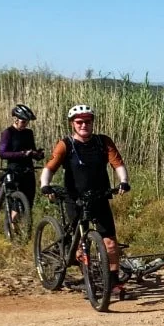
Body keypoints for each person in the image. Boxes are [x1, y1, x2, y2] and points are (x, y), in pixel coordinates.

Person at [40, 104, 132, 298]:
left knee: (111, 243)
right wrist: (45, 184)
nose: (84, 125)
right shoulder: (66, 144)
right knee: (80, 244)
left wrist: (123, 181)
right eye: (79, 122)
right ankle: (85, 274)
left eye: (87, 122)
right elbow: (50, 167)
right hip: (75, 199)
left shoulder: (102, 142)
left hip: (99, 197)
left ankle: (113, 281)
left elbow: (117, 163)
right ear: (73, 124)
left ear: (92, 123)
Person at [0, 104, 45, 223]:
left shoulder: (28, 133)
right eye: (23, 122)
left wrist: (37, 154)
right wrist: (22, 154)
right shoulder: (8, 133)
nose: (25, 124)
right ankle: (13, 228)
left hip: (28, 170)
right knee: (15, 201)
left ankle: (23, 228)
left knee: (29, 200)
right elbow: (3, 153)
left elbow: (32, 150)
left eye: (27, 122)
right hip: (14, 170)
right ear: (16, 119)